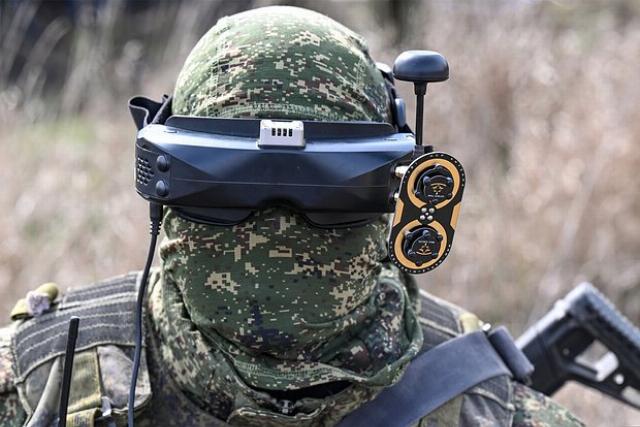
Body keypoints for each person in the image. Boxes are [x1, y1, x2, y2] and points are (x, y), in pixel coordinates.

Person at [0, 6, 584, 427]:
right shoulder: (41, 381)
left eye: (327, 188)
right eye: (228, 186)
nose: (278, 222)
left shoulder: (478, 399)